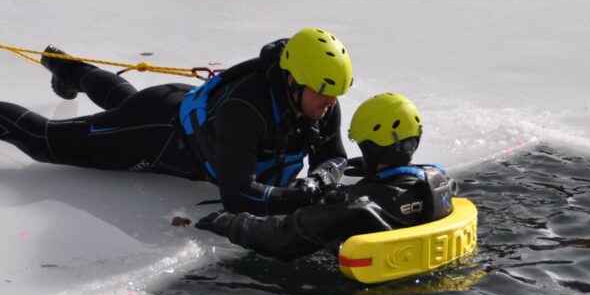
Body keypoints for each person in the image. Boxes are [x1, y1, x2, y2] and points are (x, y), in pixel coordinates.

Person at [0, 28, 353, 215]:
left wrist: (331, 179)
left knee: (126, 101)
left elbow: (334, 159)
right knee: (50, 142)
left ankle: (71, 69)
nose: (330, 104)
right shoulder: (246, 111)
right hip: (159, 135)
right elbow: (238, 194)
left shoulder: (316, 102)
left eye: (336, 95)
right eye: (323, 92)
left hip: (173, 107)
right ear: (292, 80)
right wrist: (306, 195)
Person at [194, 92, 456, 260]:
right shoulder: (441, 181)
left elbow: (284, 238)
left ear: (369, 148)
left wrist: (232, 223)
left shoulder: (355, 205)